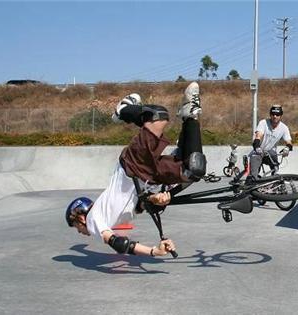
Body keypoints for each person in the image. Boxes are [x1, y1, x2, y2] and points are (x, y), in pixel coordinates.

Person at [65, 82, 206, 257]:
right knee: (194, 169)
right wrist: (157, 198)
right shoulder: (116, 216)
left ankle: (123, 109)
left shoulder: (93, 220)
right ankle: (189, 115)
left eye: (76, 227)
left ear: (80, 217)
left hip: (132, 167)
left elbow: (119, 244)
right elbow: (142, 200)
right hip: (149, 177)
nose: (79, 232)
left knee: (158, 116)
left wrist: (154, 252)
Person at [248, 104, 293, 179]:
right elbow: (258, 136)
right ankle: (253, 181)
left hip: (270, 154)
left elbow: (289, 142)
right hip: (258, 151)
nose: (275, 116)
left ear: (281, 116)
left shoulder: (284, 128)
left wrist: (287, 148)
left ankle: (274, 175)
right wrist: (257, 146)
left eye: (277, 114)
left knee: (272, 153)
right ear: (270, 115)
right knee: (253, 176)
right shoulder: (263, 123)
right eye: (273, 114)